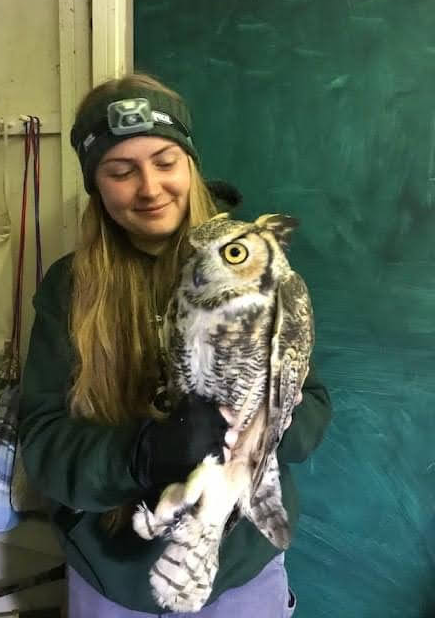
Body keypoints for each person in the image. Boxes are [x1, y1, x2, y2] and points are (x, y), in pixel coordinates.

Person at [18, 73, 331, 618]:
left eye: (166, 162)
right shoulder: (70, 288)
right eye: (121, 171)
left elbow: (313, 405)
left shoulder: (251, 261)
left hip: (237, 571)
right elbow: (43, 445)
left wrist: (265, 427)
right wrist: (139, 455)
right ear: (96, 185)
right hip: (113, 573)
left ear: (191, 164)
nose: (150, 187)